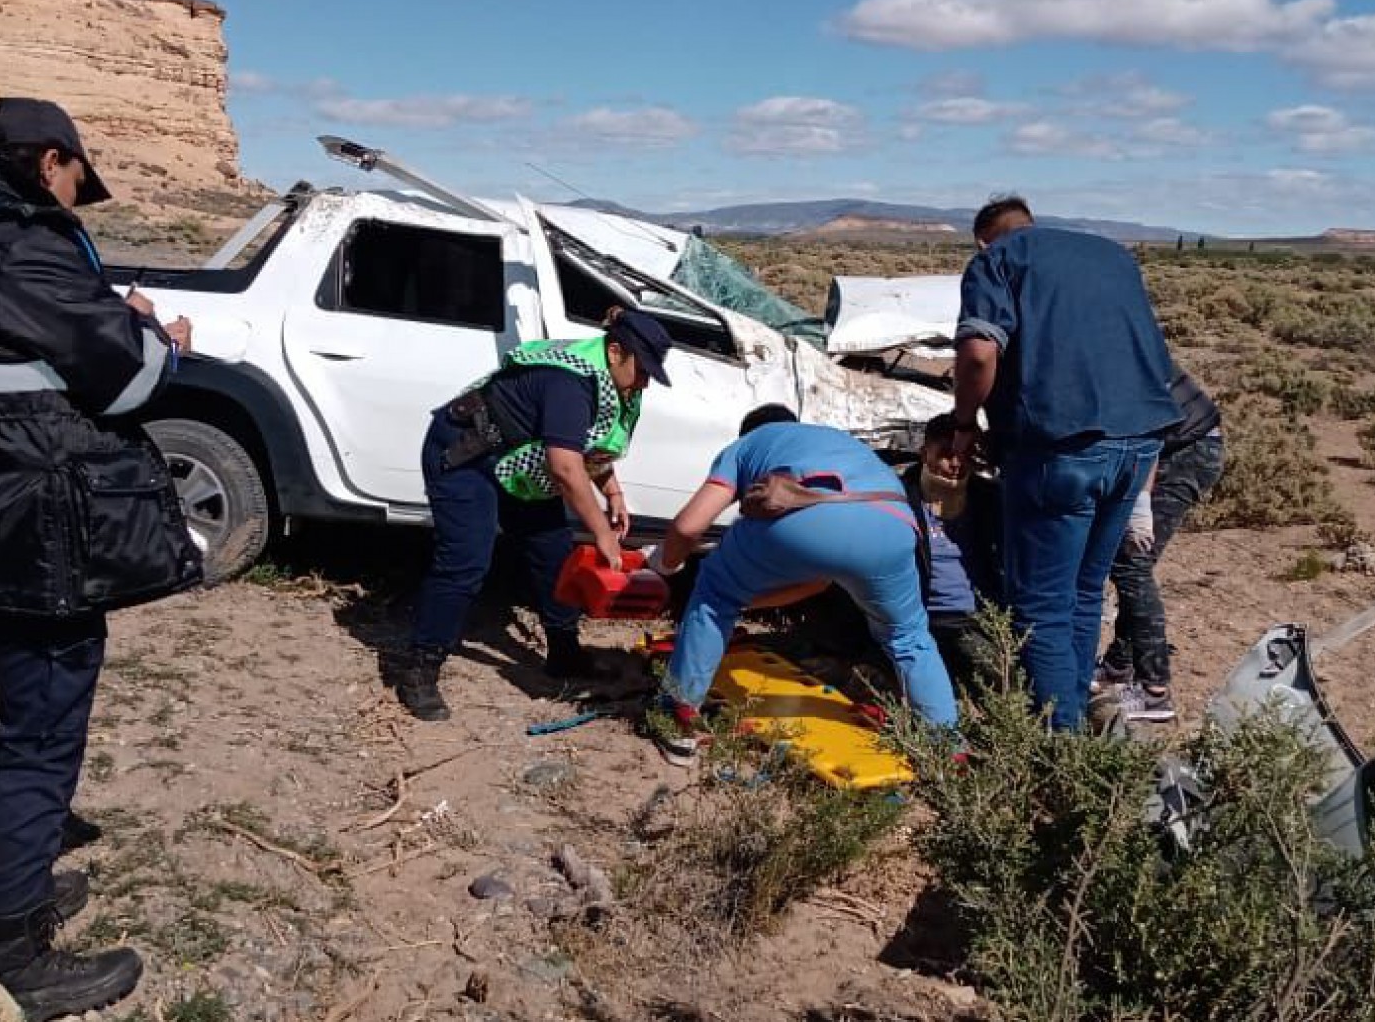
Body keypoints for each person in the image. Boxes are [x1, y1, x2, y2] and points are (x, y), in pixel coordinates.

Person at [0, 97, 200, 1020]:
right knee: (41, 732)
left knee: (25, 714)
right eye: (74, 180)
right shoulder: (22, 248)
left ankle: (17, 888)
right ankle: (16, 950)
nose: (72, 199)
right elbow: (130, 381)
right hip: (32, 530)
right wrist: (155, 334)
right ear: (50, 160)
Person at [951, 195, 1178, 733]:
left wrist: (963, 424)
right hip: (1139, 442)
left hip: (1060, 449)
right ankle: (1073, 723)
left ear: (983, 240)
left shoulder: (997, 259)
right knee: (1084, 591)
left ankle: (1056, 743)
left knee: (1041, 605)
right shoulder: (1112, 256)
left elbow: (979, 353)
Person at [397, 306, 675, 721]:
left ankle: (564, 653)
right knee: (465, 561)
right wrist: (601, 531)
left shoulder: (613, 382)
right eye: (643, 370)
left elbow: (590, 444)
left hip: (522, 463)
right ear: (615, 351)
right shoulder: (571, 381)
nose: (645, 382)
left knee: (552, 552)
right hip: (467, 453)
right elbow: (565, 467)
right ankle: (421, 666)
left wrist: (613, 491)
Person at [646, 406, 960, 764]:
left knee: (714, 591)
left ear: (747, 433)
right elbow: (817, 582)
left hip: (807, 516)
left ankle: (678, 719)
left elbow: (688, 527)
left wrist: (665, 565)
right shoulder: (835, 441)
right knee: (909, 636)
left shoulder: (747, 445)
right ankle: (949, 752)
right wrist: (746, 603)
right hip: (894, 525)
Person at [1094, 368, 1224, 722]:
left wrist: (1140, 503)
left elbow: (1147, 423)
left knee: (1132, 561)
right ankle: (1119, 666)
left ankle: (1155, 690)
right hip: (1177, 442)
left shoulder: (1114, 357)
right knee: (1130, 562)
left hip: (1184, 450)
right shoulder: (1112, 343)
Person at [904, 412, 1004, 692]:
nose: (957, 463)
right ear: (925, 454)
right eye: (946, 454)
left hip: (975, 618)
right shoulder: (900, 499)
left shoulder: (989, 499)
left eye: (964, 454)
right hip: (923, 618)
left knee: (1004, 678)